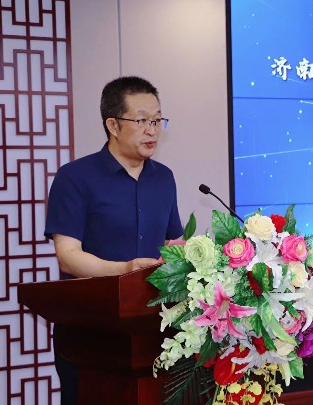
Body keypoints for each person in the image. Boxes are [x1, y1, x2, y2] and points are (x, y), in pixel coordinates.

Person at [44, 76, 184, 404]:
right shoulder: (75, 178)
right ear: (113, 125)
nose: (152, 130)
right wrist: (124, 270)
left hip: (153, 337)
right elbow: (68, 256)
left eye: (157, 120)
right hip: (89, 336)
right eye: (142, 121)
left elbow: (174, 243)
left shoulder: (164, 178)